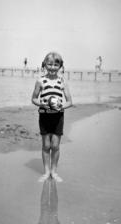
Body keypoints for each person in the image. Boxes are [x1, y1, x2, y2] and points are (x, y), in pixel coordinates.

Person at [31, 52, 72, 182]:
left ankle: (54, 172)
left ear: (60, 66)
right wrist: (42, 104)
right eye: (49, 64)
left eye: (56, 64)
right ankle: (46, 172)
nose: (53, 67)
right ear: (44, 65)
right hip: (44, 117)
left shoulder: (63, 82)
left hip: (58, 117)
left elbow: (70, 102)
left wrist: (61, 107)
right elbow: (33, 99)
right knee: (45, 146)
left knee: (55, 146)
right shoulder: (40, 81)